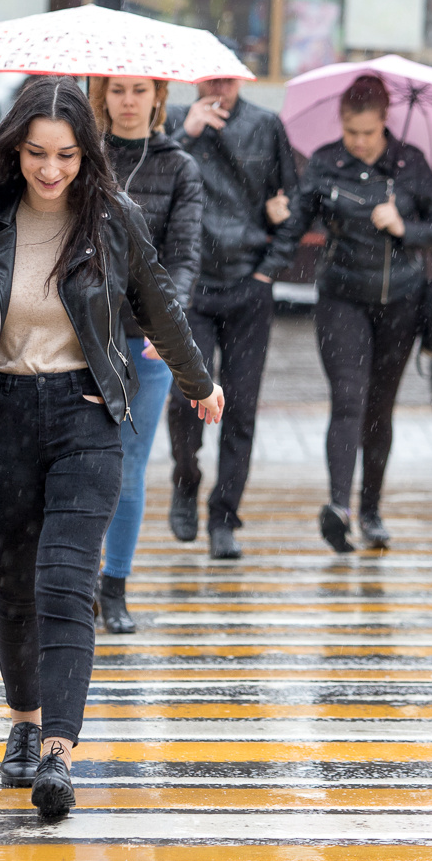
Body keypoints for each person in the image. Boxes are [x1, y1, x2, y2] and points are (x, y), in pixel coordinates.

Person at [0, 77, 223, 821]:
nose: (51, 171)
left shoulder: (112, 218)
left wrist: (199, 383)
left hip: (87, 417)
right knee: (18, 587)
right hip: (6, 419)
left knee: (65, 586)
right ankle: (22, 726)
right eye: (36, 155)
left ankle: (58, 750)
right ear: (16, 150)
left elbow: (158, 301)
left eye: (65, 156)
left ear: (85, 155)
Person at [255, 74, 432, 553]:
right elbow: (295, 224)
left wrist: (404, 227)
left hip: (400, 301)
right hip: (342, 297)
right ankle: (339, 507)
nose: (359, 142)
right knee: (348, 398)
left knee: (380, 411)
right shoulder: (325, 163)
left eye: (367, 132)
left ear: (384, 121)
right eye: (350, 132)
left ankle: (372, 510)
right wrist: (264, 272)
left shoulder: (411, 164)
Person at [163, 76, 299, 559]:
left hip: (248, 284)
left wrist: (268, 270)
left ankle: (224, 518)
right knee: (185, 401)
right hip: (192, 286)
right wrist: (187, 133)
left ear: (241, 78)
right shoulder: (175, 119)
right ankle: (186, 478)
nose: (218, 86)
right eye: (208, 78)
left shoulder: (266, 124)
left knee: (241, 406)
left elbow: (294, 203)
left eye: (227, 78)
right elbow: (150, 187)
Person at [90, 75, 203, 634]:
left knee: (130, 466)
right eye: (117, 91)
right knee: (83, 461)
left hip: (146, 339)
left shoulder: (179, 166)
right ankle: (79, 579)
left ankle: (115, 586)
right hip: (86, 335)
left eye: (139, 91)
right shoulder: (82, 157)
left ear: (158, 97)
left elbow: (184, 255)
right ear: (102, 96)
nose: (128, 102)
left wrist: (170, 319)